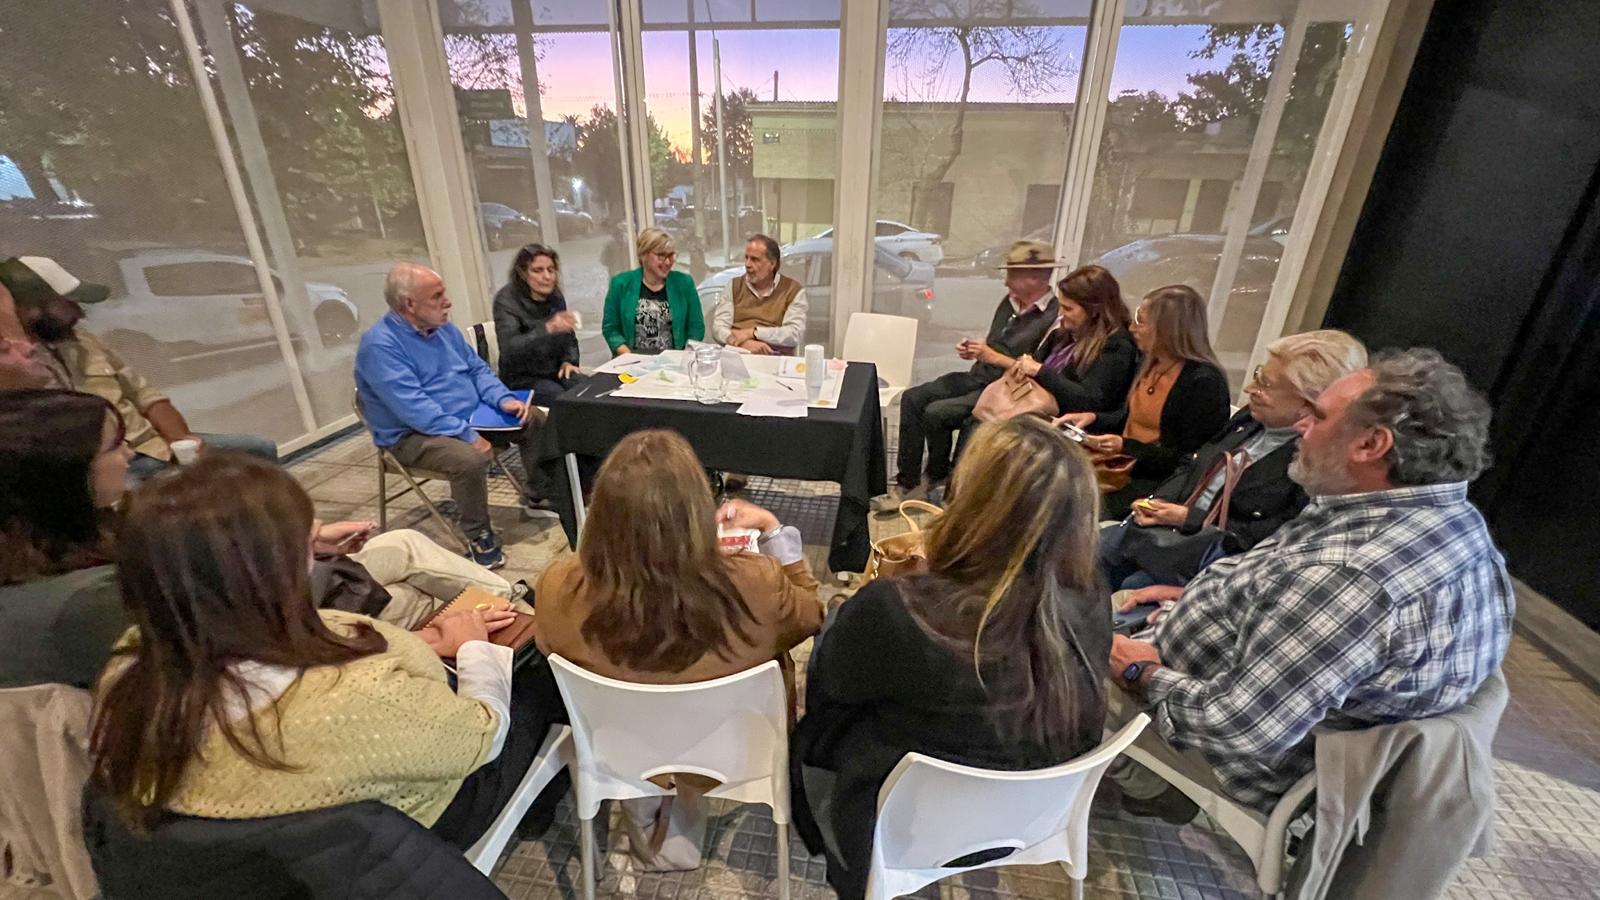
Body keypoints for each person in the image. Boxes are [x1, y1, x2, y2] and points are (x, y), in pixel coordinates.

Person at [1105, 348, 1514, 822]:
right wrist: (1199, 596)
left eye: (1317, 416)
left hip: (1215, 747)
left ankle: (1146, 780)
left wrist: (1139, 673)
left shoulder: (1354, 577)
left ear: (1370, 444)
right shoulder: (1448, 519)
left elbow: (1240, 728)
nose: (1300, 426)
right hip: (1221, 669)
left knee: (1041, 655)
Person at [87, 454, 564, 848]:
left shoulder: (127, 666)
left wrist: (428, 642)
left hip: (290, 834)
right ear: (274, 571)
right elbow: (482, 736)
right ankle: (539, 806)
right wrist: (475, 650)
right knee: (542, 666)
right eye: (306, 545)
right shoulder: (350, 701)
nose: (318, 558)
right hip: (422, 824)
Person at [794, 416, 1110, 900]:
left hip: (902, 825)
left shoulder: (898, 609)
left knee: (834, 639)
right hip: (1032, 818)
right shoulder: (1091, 597)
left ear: (971, 503)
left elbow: (830, 690)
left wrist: (855, 609)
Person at [534, 429, 820, 868]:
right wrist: (772, 530)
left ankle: (651, 808)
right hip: (738, 753)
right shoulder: (758, 583)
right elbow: (812, 614)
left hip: (622, 748)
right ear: (698, 512)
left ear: (600, 512)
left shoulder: (557, 586)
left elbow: (549, 646)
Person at [1100, 329, 1368, 591]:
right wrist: (1158, 501)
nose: (1250, 389)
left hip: (1209, 566)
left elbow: (1271, 539)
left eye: (1265, 385)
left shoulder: (1316, 464)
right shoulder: (1250, 418)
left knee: (1124, 584)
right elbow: (1194, 463)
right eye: (1258, 375)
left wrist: (1191, 519)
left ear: (1308, 403)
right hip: (1163, 537)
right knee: (1088, 547)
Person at [0, 256, 279, 484]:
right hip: (110, 468)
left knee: (258, 449)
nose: (79, 311)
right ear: (25, 308)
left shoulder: (85, 341)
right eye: (65, 303)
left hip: (155, 447)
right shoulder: (16, 367)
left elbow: (146, 395)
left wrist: (182, 441)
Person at [354, 262, 547, 568]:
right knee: (468, 459)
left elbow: (477, 369)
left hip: (467, 416)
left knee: (532, 418)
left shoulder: (444, 329)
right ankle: (478, 534)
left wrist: (503, 399)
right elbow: (414, 408)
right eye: (437, 296)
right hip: (413, 434)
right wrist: (467, 435)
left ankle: (538, 492)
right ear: (409, 305)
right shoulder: (380, 346)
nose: (448, 302)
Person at [874, 240, 1062, 511]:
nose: (1006, 282)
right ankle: (909, 483)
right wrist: (975, 350)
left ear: (1037, 277)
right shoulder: (1010, 303)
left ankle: (942, 479)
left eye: (1012, 275)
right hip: (980, 377)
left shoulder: (1054, 318)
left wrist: (992, 356)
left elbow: (1039, 372)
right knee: (913, 398)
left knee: (937, 413)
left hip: (1008, 392)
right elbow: (997, 344)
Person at [1057, 284, 1230, 520]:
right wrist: (1093, 418)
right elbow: (1130, 418)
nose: (1132, 328)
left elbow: (1187, 460)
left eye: (1141, 322)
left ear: (1168, 329)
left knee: (1065, 506)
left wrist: (1124, 446)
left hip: (1152, 482)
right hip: (1120, 465)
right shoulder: (1151, 362)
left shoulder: (1204, 382)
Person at [0, 389, 131, 689]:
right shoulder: (90, 601)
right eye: (114, 446)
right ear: (65, 474)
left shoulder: (21, 551)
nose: (129, 453)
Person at [493, 243, 587, 406]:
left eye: (551, 270)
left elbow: (569, 337)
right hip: (522, 377)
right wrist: (547, 328)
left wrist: (569, 361)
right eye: (538, 270)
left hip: (554, 369)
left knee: (589, 389)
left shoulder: (555, 296)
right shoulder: (506, 300)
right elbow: (510, 349)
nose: (547, 277)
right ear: (522, 273)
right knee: (563, 400)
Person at [601, 227, 704, 356]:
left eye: (671, 255)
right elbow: (611, 329)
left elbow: (696, 328)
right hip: (632, 360)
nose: (668, 262)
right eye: (661, 255)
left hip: (675, 361)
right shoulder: (620, 284)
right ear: (643, 255)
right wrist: (629, 356)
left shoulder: (684, 283)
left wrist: (683, 357)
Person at [711, 234, 807, 355]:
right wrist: (742, 343)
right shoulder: (734, 286)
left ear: (772, 264)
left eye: (755, 259)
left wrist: (754, 333)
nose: (747, 264)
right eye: (746, 258)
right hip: (738, 356)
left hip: (775, 358)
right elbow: (718, 327)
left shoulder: (793, 291)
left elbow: (794, 333)